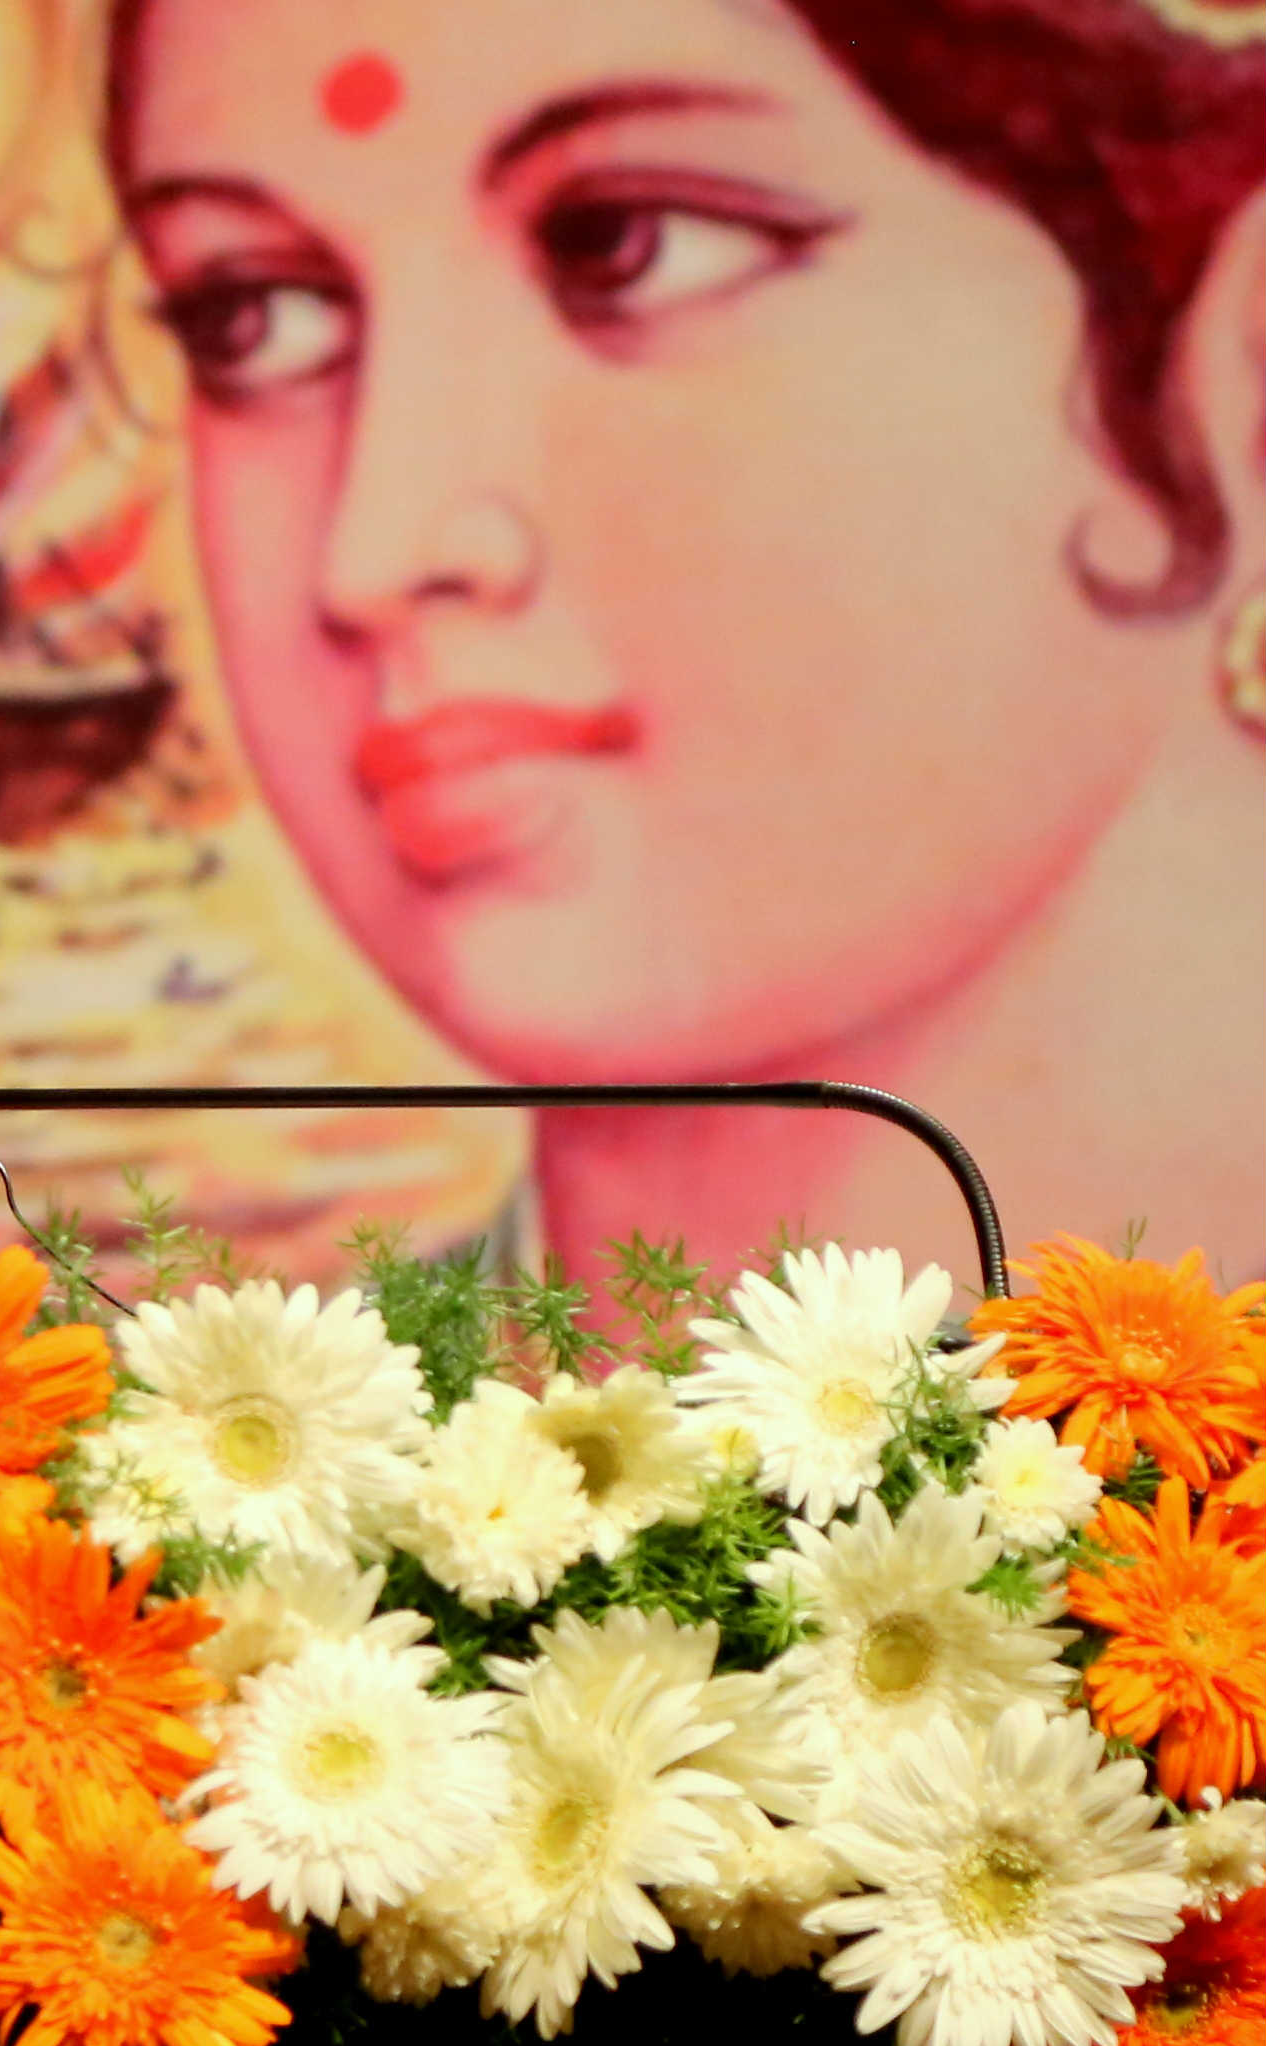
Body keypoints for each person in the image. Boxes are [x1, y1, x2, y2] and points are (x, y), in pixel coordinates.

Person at [107, 0, 1266, 1280]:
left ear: (1242, 363)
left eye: (625, 248)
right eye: (252, 317)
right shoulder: (204, 1450)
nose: (377, 550)